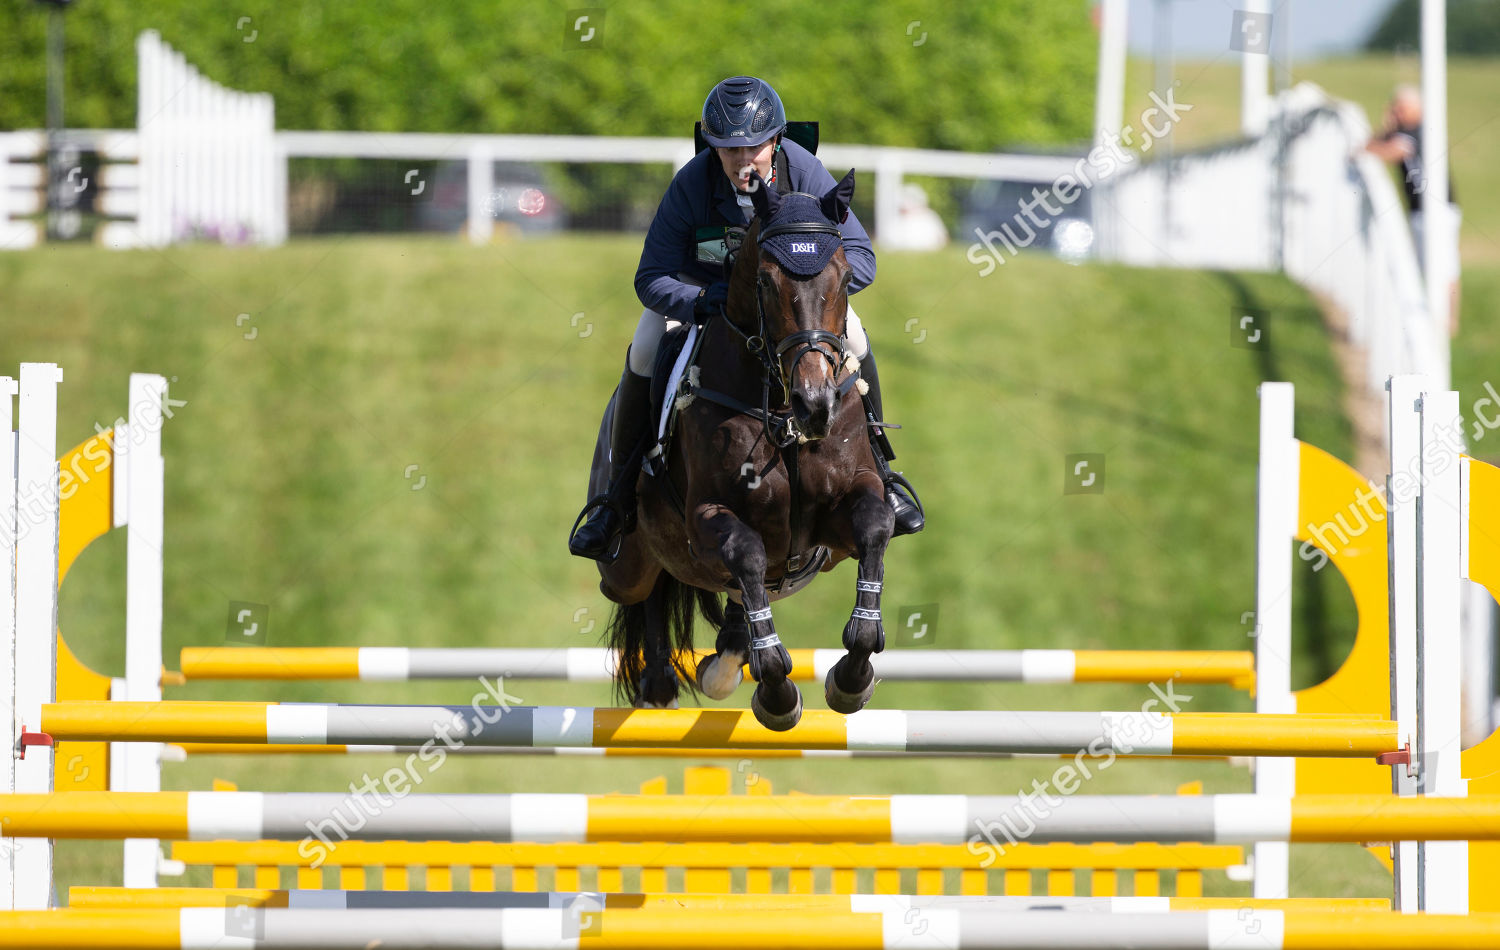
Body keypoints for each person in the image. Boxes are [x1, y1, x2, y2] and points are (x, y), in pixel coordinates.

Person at [569, 76, 923, 561]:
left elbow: (861, 255)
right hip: (703, 301)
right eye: (728, 149)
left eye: (753, 147)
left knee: (856, 336)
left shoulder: (805, 170)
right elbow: (650, 277)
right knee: (647, 345)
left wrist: (813, 285)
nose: (742, 161)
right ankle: (616, 498)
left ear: (775, 140)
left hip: (791, 309)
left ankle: (885, 471)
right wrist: (700, 299)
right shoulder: (693, 183)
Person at [1366, 84, 1461, 334]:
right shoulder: (1408, 131)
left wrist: (1372, 146)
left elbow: (1388, 151)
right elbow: (1381, 143)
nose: (1396, 112)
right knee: (1426, 264)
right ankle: (1437, 316)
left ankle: (1448, 320)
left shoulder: (1416, 131)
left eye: (1400, 107)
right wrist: (1386, 128)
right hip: (1423, 211)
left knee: (1443, 264)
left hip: (1436, 211)